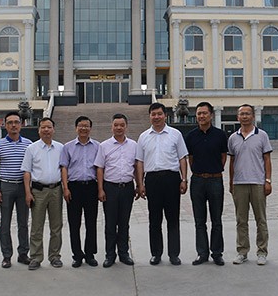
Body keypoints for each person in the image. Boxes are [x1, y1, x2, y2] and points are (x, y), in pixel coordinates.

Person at [136, 102, 188, 266]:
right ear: (150, 116)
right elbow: (139, 162)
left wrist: (184, 179)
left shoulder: (175, 134)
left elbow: (182, 157)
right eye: (153, 114)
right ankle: (156, 253)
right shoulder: (143, 136)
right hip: (152, 180)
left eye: (159, 114)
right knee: (154, 219)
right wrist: (140, 183)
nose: (156, 117)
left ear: (165, 115)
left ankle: (174, 254)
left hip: (171, 179)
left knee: (173, 218)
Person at [228, 104, 273, 266]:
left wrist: (268, 181)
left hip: (258, 183)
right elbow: (232, 162)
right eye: (242, 114)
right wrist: (231, 182)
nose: (245, 116)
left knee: (261, 219)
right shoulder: (233, 138)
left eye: (247, 113)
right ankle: (242, 251)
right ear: (237, 117)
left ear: (253, 116)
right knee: (241, 220)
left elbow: (267, 159)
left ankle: (262, 252)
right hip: (239, 183)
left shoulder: (262, 135)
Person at [184, 101, 228, 266]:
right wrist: (199, 172)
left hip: (215, 180)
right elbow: (190, 158)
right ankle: (202, 253)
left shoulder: (220, 135)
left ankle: (217, 253)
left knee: (216, 219)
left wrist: (214, 171)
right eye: (199, 113)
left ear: (211, 115)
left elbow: (223, 156)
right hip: (197, 181)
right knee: (199, 220)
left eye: (204, 113)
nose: (201, 116)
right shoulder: (191, 136)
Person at [95, 113, 139, 268]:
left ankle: (124, 253)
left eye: (122, 125)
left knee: (124, 223)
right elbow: (100, 168)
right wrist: (100, 189)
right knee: (110, 223)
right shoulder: (104, 146)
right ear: (111, 127)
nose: (119, 128)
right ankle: (110, 255)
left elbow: (137, 167)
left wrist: (139, 185)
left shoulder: (133, 145)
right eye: (116, 125)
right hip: (110, 188)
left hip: (127, 188)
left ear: (126, 126)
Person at [0, 111, 33, 268]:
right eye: (10, 122)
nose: (13, 125)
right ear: (5, 125)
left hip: (23, 187)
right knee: (5, 223)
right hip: (6, 186)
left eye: (16, 122)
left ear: (21, 124)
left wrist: (29, 190)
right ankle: (6, 255)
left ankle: (23, 253)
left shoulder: (29, 144)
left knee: (23, 222)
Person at [21, 117, 64, 271]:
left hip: (56, 190)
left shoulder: (60, 148)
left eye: (49, 127)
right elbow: (26, 172)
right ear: (39, 130)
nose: (46, 130)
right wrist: (28, 192)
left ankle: (55, 256)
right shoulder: (31, 148)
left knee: (56, 225)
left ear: (53, 129)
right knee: (37, 226)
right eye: (43, 127)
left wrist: (65, 188)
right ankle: (36, 257)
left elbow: (64, 169)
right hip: (38, 191)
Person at [60, 116, 100, 268]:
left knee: (91, 222)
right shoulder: (68, 147)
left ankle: (90, 254)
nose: (84, 128)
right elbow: (64, 168)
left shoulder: (97, 146)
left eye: (86, 126)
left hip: (91, 187)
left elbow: (99, 168)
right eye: (81, 126)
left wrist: (100, 188)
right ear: (76, 128)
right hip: (74, 188)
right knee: (74, 223)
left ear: (90, 128)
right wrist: (65, 188)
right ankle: (77, 255)